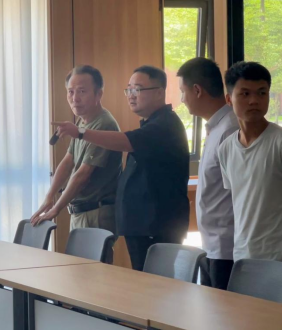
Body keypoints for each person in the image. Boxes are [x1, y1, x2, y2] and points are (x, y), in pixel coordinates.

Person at [53, 66, 190, 271]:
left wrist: (80, 132)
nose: (131, 95)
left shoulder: (164, 125)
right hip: (144, 225)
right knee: (145, 283)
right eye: (129, 90)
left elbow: (126, 141)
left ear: (159, 92)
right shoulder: (151, 123)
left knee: (155, 285)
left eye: (138, 89)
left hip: (157, 226)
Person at [219, 62, 282, 309]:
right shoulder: (226, 149)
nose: (254, 100)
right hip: (246, 264)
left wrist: (279, 230)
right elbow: (241, 202)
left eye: (262, 93)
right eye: (245, 93)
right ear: (229, 99)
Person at [31, 66, 122, 237]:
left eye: (82, 91)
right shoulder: (82, 122)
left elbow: (82, 175)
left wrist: (56, 208)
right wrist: (49, 197)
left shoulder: (104, 124)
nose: (75, 98)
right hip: (81, 211)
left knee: (94, 257)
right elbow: (68, 162)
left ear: (99, 94)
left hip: (96, 212)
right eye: (70, 92)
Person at [177, 58, 238, 290]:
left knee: (226, 311)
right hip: (213, 245)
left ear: (197, 90)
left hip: (228, 247)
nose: (182, 99)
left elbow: (239, 191)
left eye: (183, 92)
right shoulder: (216, 127)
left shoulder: (229, 129)